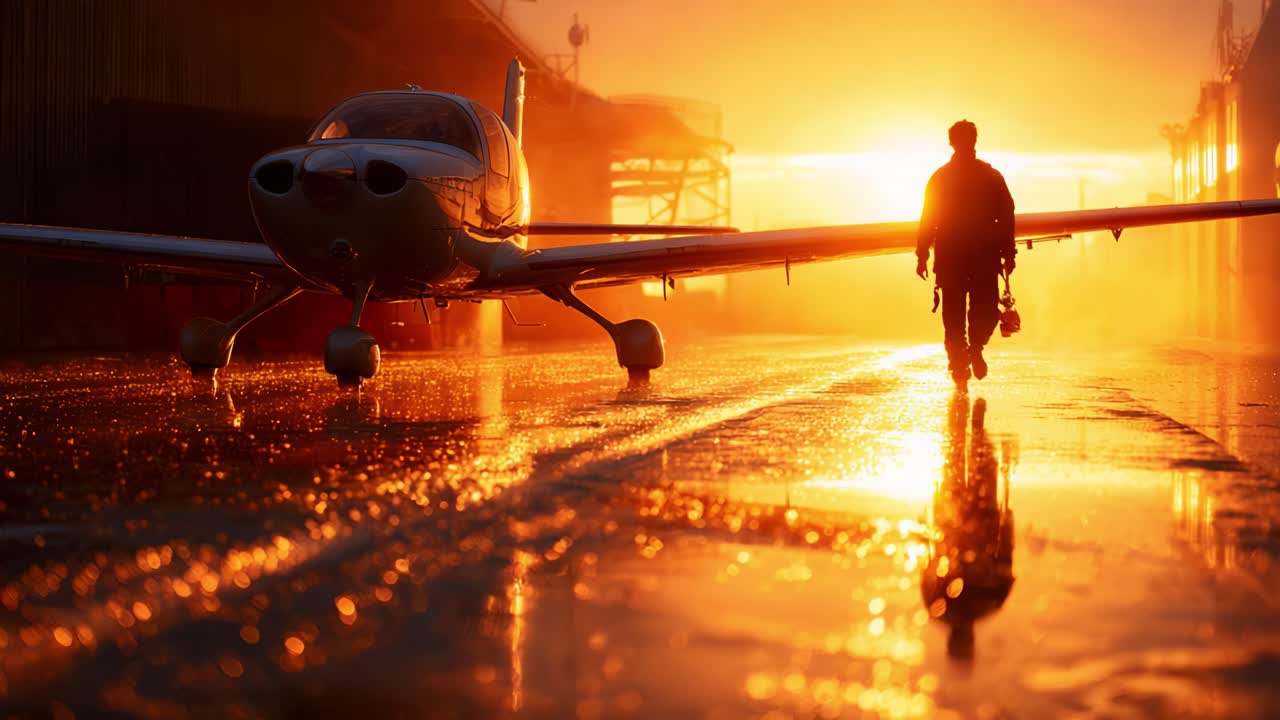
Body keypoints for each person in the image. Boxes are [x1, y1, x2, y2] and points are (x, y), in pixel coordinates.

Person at [916, 121, 1016, 386]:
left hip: (952, 257)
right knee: (983, 310)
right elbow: (1007, 216)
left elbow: (928, 218)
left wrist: (922, 254)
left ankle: (961, 361)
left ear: (952, 142)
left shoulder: (941, 177)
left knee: (954, 314)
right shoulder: (991, 176)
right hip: (982, 256)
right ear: (974, 140)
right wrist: (1009, 253)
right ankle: (973, 351)